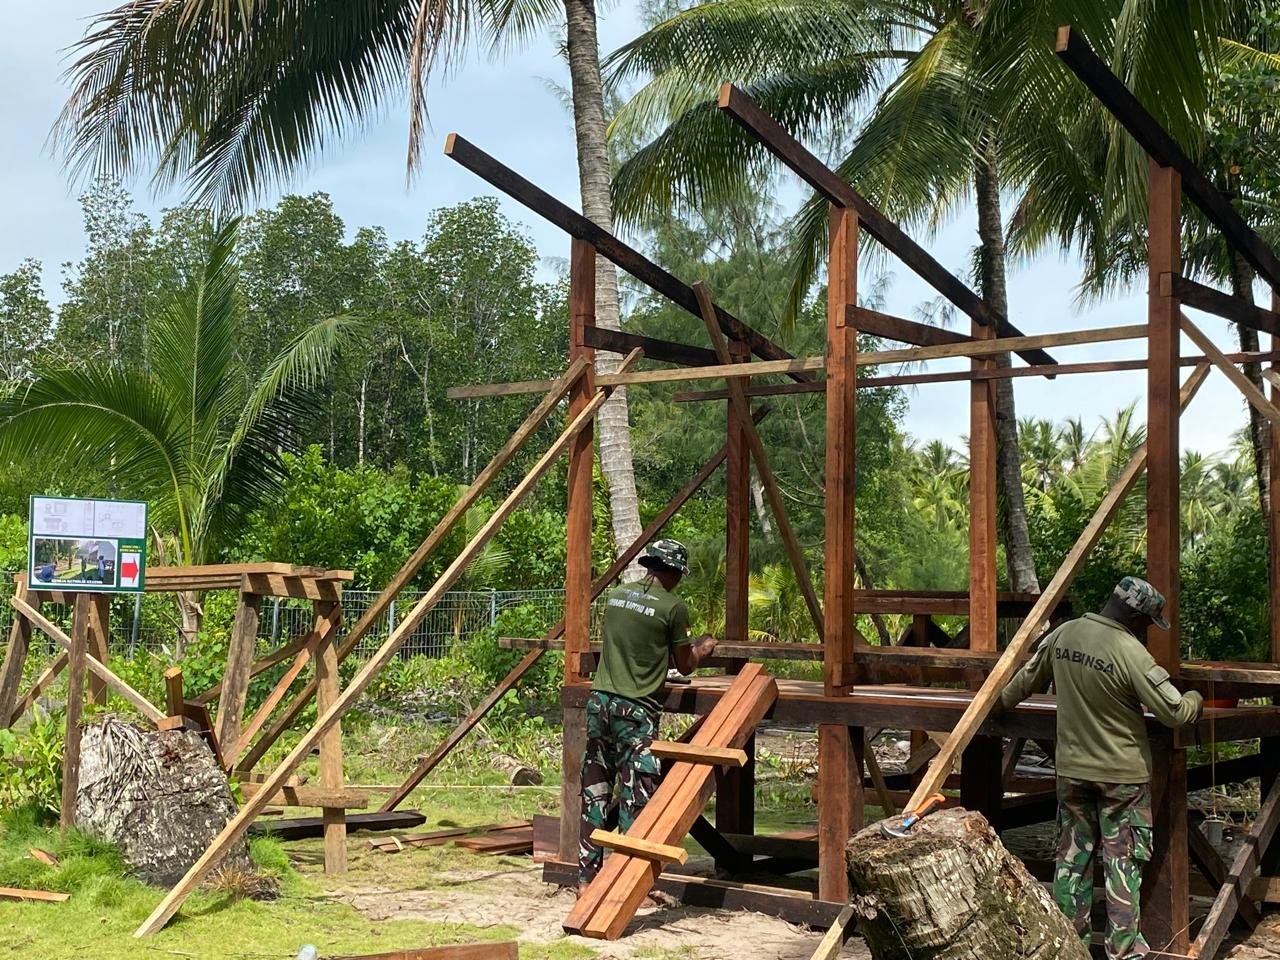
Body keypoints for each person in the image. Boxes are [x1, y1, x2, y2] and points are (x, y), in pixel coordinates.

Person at [1001, 576, 1204, 960]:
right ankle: (1123, 953)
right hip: (1121, 779)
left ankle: (1068, 949)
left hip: (1072, 773)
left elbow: (1020, 685)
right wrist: (1197, 697)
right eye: (1146, 623)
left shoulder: (1064, 635)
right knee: (1122, 865)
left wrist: (992, 708)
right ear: (1134, 615)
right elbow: (1175, 712)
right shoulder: (1130, 651)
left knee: (1071, 863)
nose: (1145, 630)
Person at [577, 538, 718, 892]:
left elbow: (636, 645)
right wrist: (703, 648)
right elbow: (685, 664)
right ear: (673, 572)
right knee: (635, 795)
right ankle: (627, 882)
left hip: (599, 704)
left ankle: (586, 880)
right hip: (636, 710)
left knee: (595, 791)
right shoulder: (673, 607)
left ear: (650, 565)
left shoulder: (616, 597)